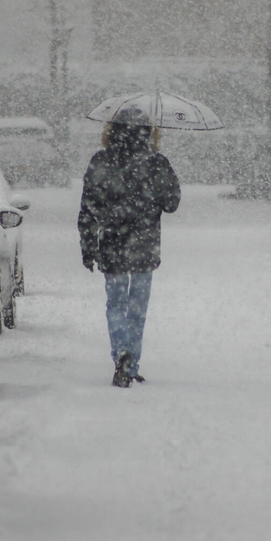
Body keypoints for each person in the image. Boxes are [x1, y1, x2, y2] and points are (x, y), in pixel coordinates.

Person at [78, 107, 181, 388]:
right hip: (144, 248)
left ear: (111, 131)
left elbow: (88, 209)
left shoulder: (101, 161)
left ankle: (120, 353)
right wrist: (160, 182)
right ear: (149, 132)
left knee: (115, 305)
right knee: (137, 309)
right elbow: (172, 204)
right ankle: (132, 363)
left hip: (113, 245)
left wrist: (88, 246)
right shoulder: (156, 162)